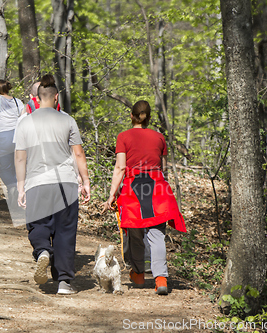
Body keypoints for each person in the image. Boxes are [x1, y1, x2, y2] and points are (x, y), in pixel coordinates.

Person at [14, 74, 90, 295]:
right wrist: (85, 181)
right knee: (65, 231)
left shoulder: (25, 122)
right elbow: (78, 154)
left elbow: (20, 158)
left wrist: (20, 187)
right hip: (65, 183)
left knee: (38, 224)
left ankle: (42, 251)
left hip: (37, 182)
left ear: (37, 99)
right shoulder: (67, 120)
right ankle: (64, 282)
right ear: (56, 97)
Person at [102, 100, 186, 295]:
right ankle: (161, 278)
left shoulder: (123, 136)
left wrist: (111, 195)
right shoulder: (159, 138)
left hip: (133, 190)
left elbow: (120, 167)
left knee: (136, 234)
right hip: (157, 188)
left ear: (132, 116)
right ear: (149, 118)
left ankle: (138, 274)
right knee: (157, 235)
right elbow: (163, 168)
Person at [0, 80, 24, 206]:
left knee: (3, 167)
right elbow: (23, 119)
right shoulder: (18, 101)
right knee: (17, 165)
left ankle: (12, 187)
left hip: (4, 136)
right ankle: (19, 190)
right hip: (19, 137)